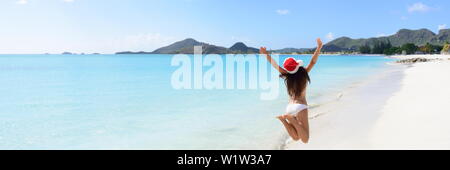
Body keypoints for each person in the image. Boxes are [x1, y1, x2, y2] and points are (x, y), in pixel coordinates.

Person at [260, 38, 323, 143]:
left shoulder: (287, 76)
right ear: (298, 66)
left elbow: (275, 65)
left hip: (289, 107)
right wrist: (319, 47)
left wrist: (265, 54)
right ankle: (291, 119)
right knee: (305, 139)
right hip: (300, 106)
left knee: (296, 137)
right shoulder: (304, 74)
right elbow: (313, 61)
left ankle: (284, 120)